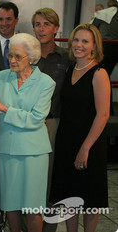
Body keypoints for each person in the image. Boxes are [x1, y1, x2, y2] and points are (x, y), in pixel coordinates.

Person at [0, 33, 55, 232]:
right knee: (10, 205)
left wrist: (4, 108)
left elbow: (35, 119)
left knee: (33, 207)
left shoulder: (46, 82)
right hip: (6, 151)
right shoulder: (0, 77)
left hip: (34, 153)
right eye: (10, 56)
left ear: (31, 58)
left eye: (18, 57)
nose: (12, 60)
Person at [50, 24, 110, 232]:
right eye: (76, 40)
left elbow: (103, 114)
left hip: (90, 142)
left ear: (94, 46)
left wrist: (85, 148)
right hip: (67, 140)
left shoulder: (99, 72)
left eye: (85, 41)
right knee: (69, 196)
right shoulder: (70, 69)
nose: (79, 45)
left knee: (89, 199)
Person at [31, 7, 72, 232]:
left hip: (52, 125)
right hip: (26, 125)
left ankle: (48, 228)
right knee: (29, 180)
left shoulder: (67, 57)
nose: (42, 28)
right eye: (38, 24)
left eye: (47, 24)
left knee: (49, 182)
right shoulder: (27, 54)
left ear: (56, 28)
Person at [92, 0, 118, 115]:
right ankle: (109, 110)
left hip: (106, 46)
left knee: (104, 78)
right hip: (115, 46)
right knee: (106, 77)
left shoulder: (103, 14)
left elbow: (92, 29)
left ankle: (108, 110)